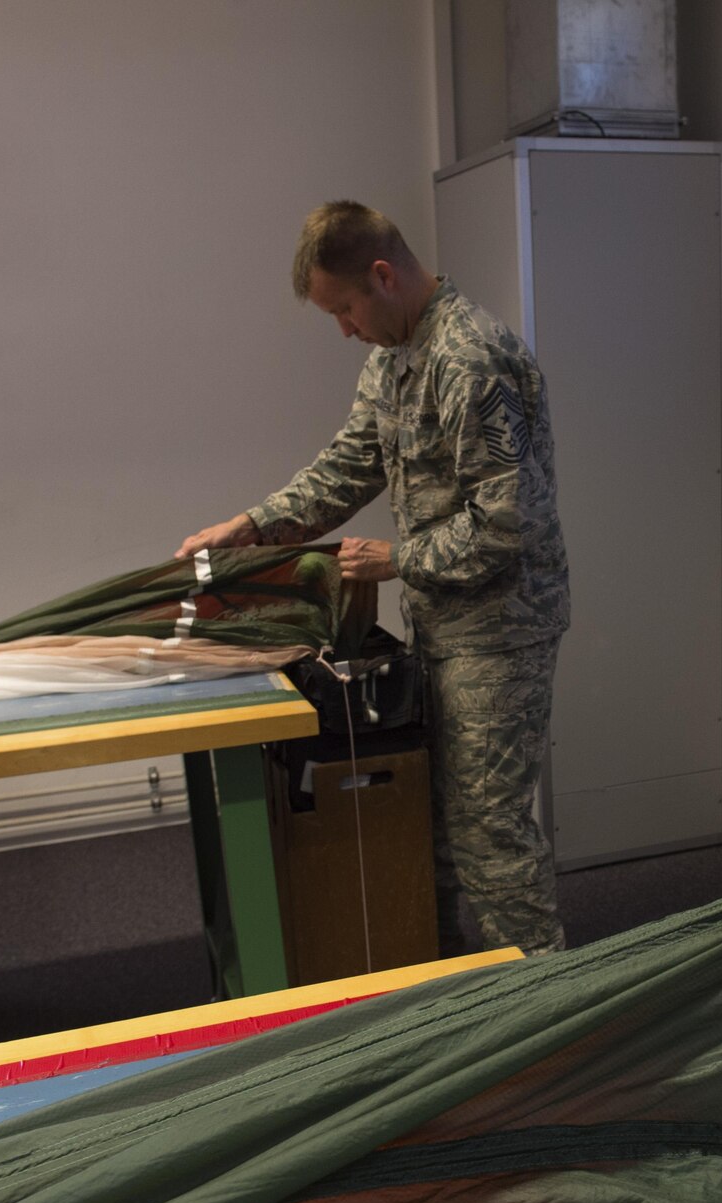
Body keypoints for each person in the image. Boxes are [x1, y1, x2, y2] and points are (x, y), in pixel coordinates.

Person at [176, 201, 570, 957]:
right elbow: (349, 464)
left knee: (491, 835)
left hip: (500, 630)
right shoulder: (393, 358)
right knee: (436, 827)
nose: (345, 329)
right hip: (443, 625)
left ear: (382, 275)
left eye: (345, 308)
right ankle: (463, 986)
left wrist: (399, 559)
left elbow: (509, 518)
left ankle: (552, 1012)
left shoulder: (470, 358)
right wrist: (252, 524)